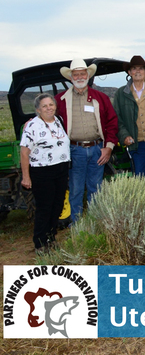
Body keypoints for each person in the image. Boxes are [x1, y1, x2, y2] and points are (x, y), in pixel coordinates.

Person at [55, 58, 118, 222]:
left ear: (88, 76)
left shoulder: (101, 98)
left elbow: (112, 122)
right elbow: (49, 119)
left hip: (98, 149)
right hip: (74, 151)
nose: (80, 77)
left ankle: (94, 223)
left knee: (95, 188)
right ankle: (76, 225)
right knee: (75, 189)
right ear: (71, 78)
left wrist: (108, 147)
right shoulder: (60, 100)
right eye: (76, 74)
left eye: (82, 74)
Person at [20, 94, 70, 252]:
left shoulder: (59, 120)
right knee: (44, 207)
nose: (49, 108)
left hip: (61, 169)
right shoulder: (32, 126)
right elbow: (24, 153)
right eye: (44, 106)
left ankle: (51, 237)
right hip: (42, 171)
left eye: (51, 104)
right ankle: (40, 243)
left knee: (57, 205)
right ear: (38, 109)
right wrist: (26, 177)